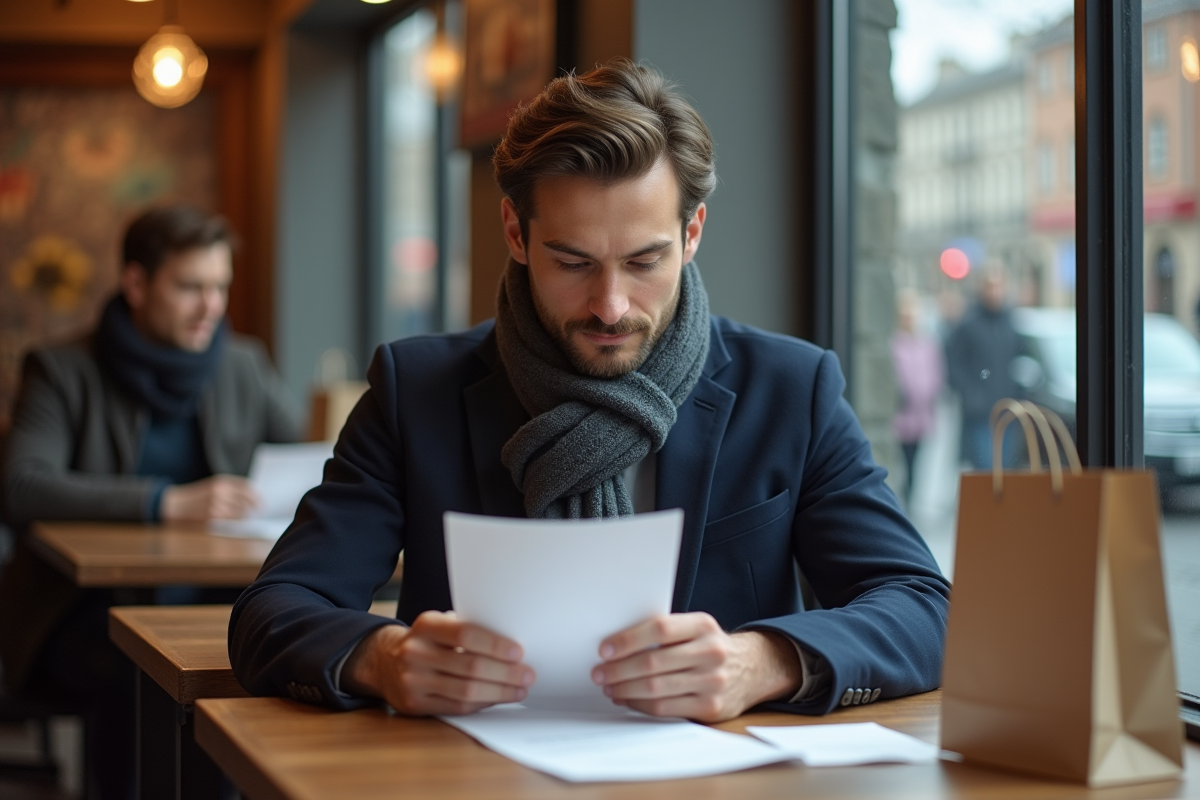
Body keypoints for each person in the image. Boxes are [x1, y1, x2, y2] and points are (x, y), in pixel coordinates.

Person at [230, 60, 949, 723]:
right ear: (516, 231)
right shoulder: (414, 390)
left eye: (645, 261)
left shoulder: (792, 390)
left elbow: (924, 608)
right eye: (572, 261)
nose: (610, 305)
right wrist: (379, 659)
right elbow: (274, 610)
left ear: (692, 231)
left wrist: (764, 661)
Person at [0, 204, 303, 800]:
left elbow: (313, 465)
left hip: (220, 596)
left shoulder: (242, 364)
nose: (211, 307)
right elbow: (21, 485)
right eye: (191, 287)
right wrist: (167, 502)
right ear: (136, 284)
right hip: (81, 607)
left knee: (256, 662)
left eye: (219, 287)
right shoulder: (62, 369)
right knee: (138, 672)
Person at [945, 267, 1022, 471]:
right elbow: (953, 364)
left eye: (998, 286)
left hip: (1007, 410)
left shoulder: (1010, 323)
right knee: (985, 469)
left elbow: (1020, 361)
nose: (994, 292)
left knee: (1004, 469)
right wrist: (970, 395)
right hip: (979, 414)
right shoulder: (968, 325)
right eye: (990, 286)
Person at [890, 289, 944, 508]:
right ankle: (902, 495)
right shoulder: (894, 343)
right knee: (901, 459)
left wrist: (931, 395)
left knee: (916, 461)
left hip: (921, 414)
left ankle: (910, 497)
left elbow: (936, 373)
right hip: (901, 414)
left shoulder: (927, 344)